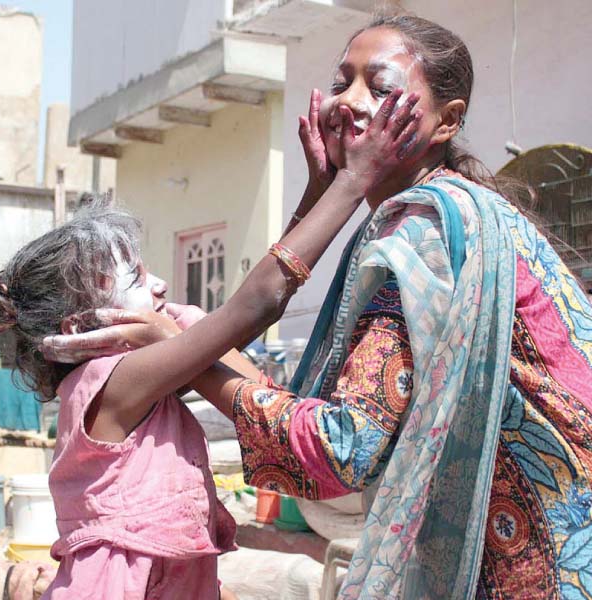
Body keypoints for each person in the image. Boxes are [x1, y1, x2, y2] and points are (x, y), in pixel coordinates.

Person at [39, 13, 592, 600]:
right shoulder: (462, 212)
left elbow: (339, 449)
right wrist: (329, 191)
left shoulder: (424, 233)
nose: (347, 102)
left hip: (543, 556)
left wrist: (178, 354)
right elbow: (296, 382)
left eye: (380, 89)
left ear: (446, 121)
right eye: (341, 81)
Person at [0, 203, 309, 599]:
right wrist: (347, 185)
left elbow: (260, 390)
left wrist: (174, 324)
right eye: (136, 279)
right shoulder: (111, 382)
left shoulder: (148, 381)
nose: (162, 285)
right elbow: (254, 307)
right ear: (81, 327)